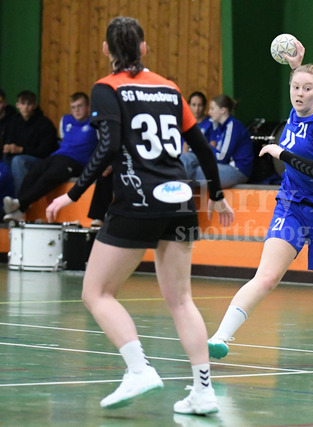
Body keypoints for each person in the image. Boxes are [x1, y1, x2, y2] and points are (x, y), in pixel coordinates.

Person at [45, 16, 234, 415]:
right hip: (180, 199)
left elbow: (109, 147)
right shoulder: (170, 88)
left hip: (138, 199)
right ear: (144, 48)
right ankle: (203, 391)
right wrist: (217, 195)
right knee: (181, 300)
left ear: (106, 49)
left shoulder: (106, 88)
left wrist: (73, 194)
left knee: (96, 292)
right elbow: (202, 148)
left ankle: (138, 369)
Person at [207, 40, 313, 363]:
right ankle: (220, 337)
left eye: (307, 89)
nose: (299, 94)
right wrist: (297, 66)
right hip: (291, 207)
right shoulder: (297, 111)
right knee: (266, 277)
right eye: (295, 88)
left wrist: (283, 154)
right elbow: (302, 83)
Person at [3, 92, 99, 222]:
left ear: (88, 107)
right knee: (34, 172)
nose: (76, 110)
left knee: (49, 176)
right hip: (58, 156)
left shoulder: (95, 123)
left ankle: (19, 204)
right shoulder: (66, 120)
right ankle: (20, 209)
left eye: (80, 106)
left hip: (76, 162)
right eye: (73, 107)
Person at [181, 94, 253, 188]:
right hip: (224, 166)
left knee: (193, 172)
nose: (209, 112)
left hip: (238, 170)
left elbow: (221, 158)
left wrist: (204, 145)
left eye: (212, 109)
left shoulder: (232, 125)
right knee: (186, 158)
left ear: (222, 110)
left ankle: (175, 193)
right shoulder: (219, 127)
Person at [2, 90, 58, 195]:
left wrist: (21, 149)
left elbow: (45, 151)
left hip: (40, 160)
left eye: (29, 104)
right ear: (18, 105)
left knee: (18, 161)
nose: (26, 108)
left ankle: (21, 199)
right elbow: (6, 141)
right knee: (6, 160)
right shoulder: (13, 121)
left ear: (35, 105)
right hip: (14, 158)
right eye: (23, 104)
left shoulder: (45, 124)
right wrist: (6, 148)